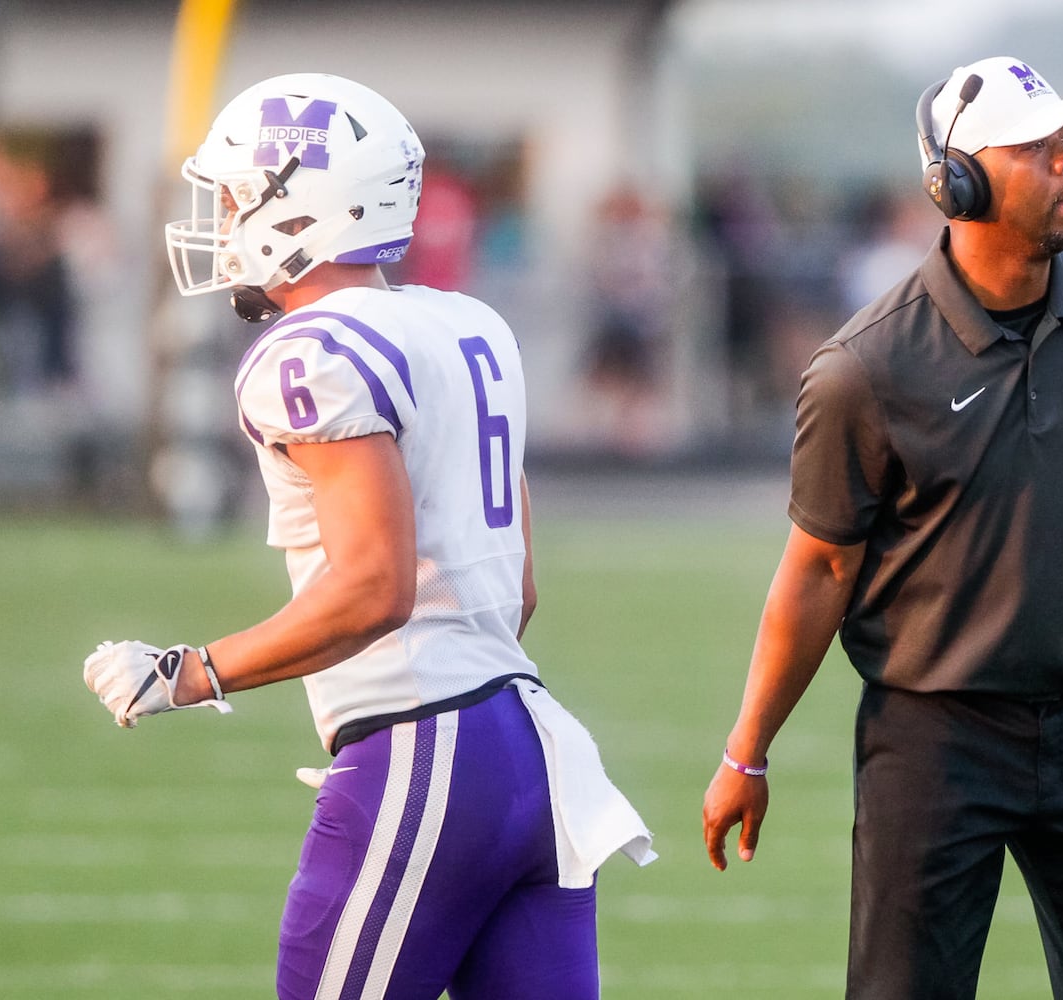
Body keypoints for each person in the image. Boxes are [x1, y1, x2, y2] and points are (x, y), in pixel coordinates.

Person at [702, 55, 1063, 1000]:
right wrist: (747, 749)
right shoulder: (863, 368)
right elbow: (816, 571)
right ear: (959, 181)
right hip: (934, 743)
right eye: (1039, 147)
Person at [82, 73, 655, 1000]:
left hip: (424, 751)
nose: (221, 220)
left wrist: (193, 670)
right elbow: (519, 590)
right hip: (532, 750)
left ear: (294, 206)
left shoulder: (308, 352)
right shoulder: (466, 324)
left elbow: (373, 588)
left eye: (232, 196)